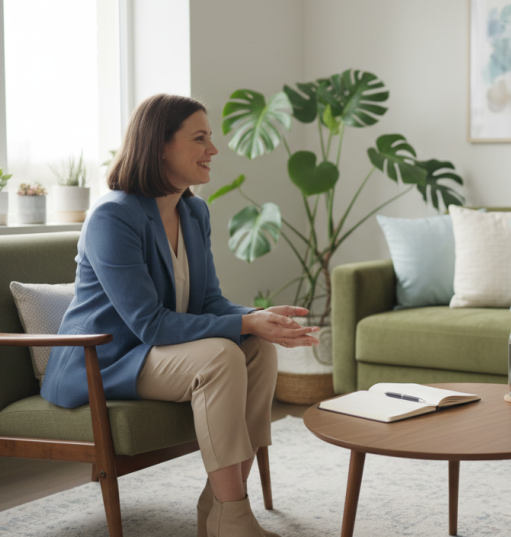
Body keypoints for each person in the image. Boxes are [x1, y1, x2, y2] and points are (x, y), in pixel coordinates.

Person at [41, 94, 319, 537]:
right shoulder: (113, 217)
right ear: (160, 146)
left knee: (257, 348)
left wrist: (260, 319)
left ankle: (223, 509)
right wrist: (245, 323)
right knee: (221, 357)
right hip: (105, 360)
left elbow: (209, 301)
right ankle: (235, 518)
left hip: (155, 354)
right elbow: (150, 324)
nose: (213, 149)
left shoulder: (193, 211)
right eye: (200, 138)